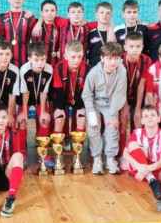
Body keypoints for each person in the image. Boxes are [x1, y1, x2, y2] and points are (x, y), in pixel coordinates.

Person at [82, 42, 127, 175]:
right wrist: (91, 113)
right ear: (102, 58)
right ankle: (97, 158)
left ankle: (110, 158)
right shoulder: (94, 72)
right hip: (94, 103)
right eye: (109, 58)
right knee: (94, 127)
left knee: (113, 127)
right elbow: (87, 94)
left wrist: (113, 115)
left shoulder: (122, 71)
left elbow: (119, 94)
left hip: (111, 104)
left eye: (116, 58)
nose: (113, 62)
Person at [118, 31, 152, 170]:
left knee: (138, 121)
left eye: (138, 46)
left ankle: (135, 152)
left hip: (138, 95)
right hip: (121, 94)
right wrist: (125, 106)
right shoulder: (119, 59)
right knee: (124, 119)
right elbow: (120, 85)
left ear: (142, 47)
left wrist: (138, 108)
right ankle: (122, 153)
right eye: (131, 46)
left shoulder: (146, 60)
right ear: (125, 47)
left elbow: (142, 85)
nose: (135, 49)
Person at [17, 42, 54, 166]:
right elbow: (25, 92)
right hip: (25, 99)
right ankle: (22, 153)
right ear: (29, 58)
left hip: (40, 98)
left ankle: (42, 153)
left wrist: (43, 112)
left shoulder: (49, 69)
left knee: (45, 120)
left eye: (42, 59)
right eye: (36, 60)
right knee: (22, 121)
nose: (40, 63)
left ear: (46, 58)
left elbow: (44, 92)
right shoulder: (24, 70)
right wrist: (23, 112)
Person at [51, 40, 90, 149]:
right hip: (62, 98)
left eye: (79, 56)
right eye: (73, 57)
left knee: (82, 118)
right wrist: (59, 108)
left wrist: (81, 107)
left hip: (78, 98)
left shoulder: (87, 69)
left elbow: (84, 92)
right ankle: (58, 149)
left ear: (83, 54)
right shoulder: (59, 67)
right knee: (59, 118)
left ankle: (77, 150)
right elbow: (58, 90)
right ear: (66, 56)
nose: (76, 60)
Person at [0, 0, 36, 68]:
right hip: (6, 59)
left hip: (25, 59)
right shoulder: (1, 17)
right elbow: (0, 38)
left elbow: (34, 40)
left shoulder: (30, 17)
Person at [31, 0, 61, 67]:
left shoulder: (60, 26)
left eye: (52, 10)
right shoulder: (35, 24)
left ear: (56, 12)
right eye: (46, 10)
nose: (49, 13)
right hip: (39, 63)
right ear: (41, 12)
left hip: (55, 63)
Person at [86, 2, 116, 66]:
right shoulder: (89, 33)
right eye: (101, 12)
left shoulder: (115, 33)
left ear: (111, 16)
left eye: (108, 13)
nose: (104, 15)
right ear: (96, 15)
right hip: (93, 68)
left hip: (110, 68)